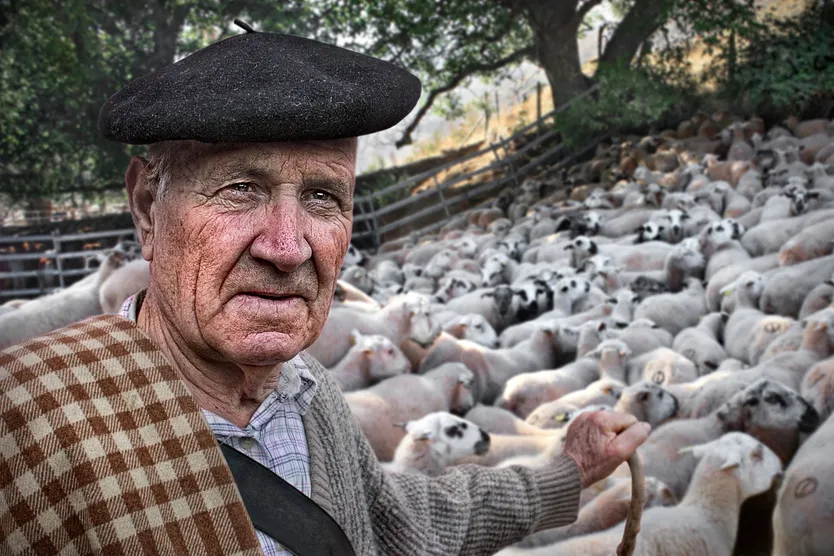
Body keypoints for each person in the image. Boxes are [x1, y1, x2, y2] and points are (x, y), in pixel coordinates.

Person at [0, 22, 650, 556]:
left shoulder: (306, 391)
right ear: (147, 207)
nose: (287, 247)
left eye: (322, 196)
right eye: (240, 189)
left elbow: (390, 523)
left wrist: (566, 471)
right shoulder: (27, 425)